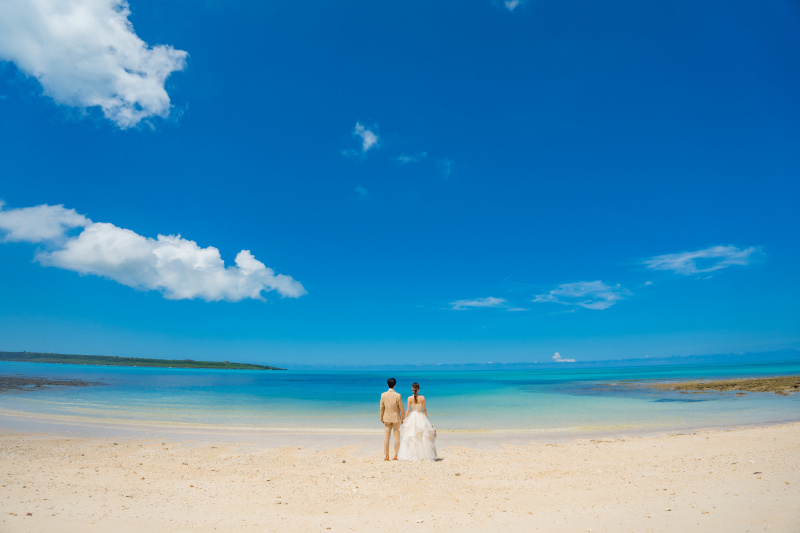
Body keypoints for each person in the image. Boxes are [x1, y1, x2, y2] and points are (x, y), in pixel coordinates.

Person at [397, 382, 437, 461]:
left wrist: (404, 419)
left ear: (412, 389)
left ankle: (413, 455)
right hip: (420, 416)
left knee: (412, 436)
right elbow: (424, 409)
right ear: (419, 389)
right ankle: (423, 455)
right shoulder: (422, 397)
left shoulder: (409, 398)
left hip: (412, 416)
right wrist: (427, 420)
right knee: (422, 436)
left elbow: (408, 410)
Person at [379, 377, 405, 461]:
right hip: (396, 418)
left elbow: (381, 408)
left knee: (386, 437)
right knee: (397, 437)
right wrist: (403, 418)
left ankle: (386, 455)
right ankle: (396, 455)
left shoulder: (383, 395)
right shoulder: (398, 395)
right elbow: (401, 408)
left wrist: (381, 417)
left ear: (387, 384)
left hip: (386, 418)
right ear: (395, 385)